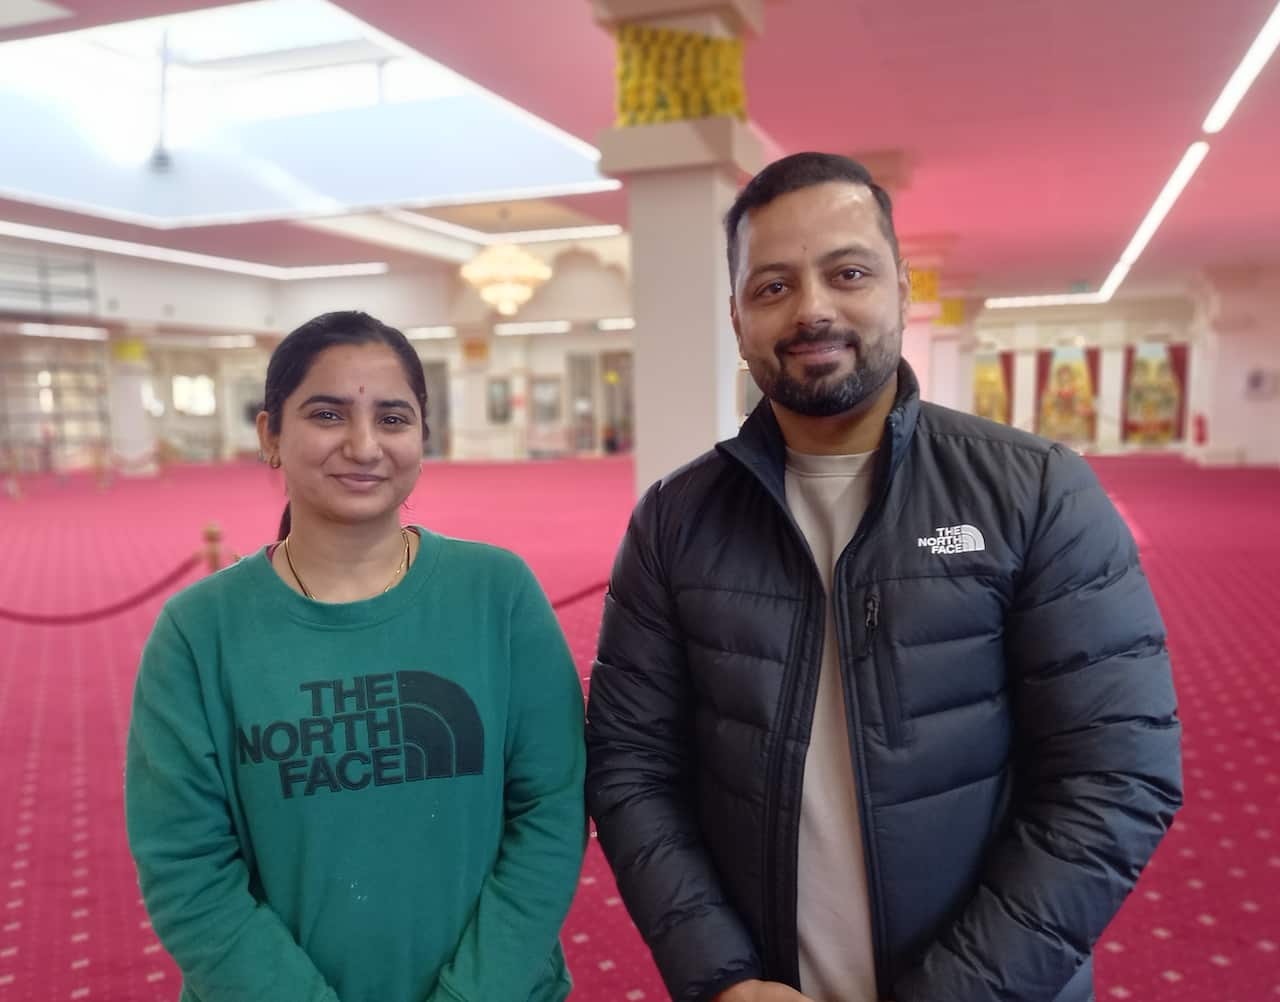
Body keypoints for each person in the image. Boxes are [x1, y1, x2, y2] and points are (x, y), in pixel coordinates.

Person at [585, 154, 1182, 1002]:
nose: (812, 309)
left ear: (902, 289)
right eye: (773, 287)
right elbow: (630, 763)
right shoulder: (675, 520)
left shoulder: (1036, 490)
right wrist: (718, 976)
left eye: (848, 273)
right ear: (737, 316)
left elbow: (1118, 775)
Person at [125, 310, 586, 1002]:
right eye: (328, 415)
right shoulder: (199, 631)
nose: (365, 445)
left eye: (394, 419)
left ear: (423, 436)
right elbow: (185, 868)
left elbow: (551, 810)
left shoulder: (498, 593)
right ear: (270, 435)